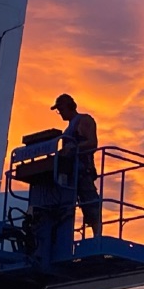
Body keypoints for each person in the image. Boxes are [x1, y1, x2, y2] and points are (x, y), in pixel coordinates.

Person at [51, 93, 101, 235]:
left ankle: (96, 237)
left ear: (69, 106)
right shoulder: (68, 129)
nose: (59, 112)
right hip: (70, 174)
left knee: (91, 205)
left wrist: (74, 148)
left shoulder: (84, 120)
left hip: (83, 171)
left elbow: (92, 142)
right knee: (65, 208)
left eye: (60, 108)